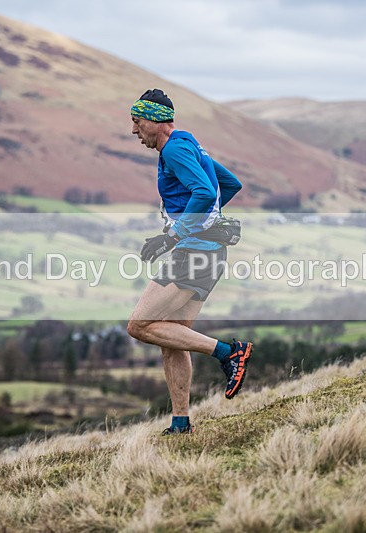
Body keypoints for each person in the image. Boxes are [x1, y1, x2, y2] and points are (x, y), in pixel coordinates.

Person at [126, 88, 254, 435]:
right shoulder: (189, 144)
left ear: (154, 120)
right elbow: (229, 184)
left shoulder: (174, 149)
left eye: (137, 122)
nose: (134, 131)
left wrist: (174, 234)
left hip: (194, 252)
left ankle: (229, 352)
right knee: (173, 337)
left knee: (139, 325)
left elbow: (202, 191)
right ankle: (181, 423)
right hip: (208, 251)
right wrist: (208, 220)